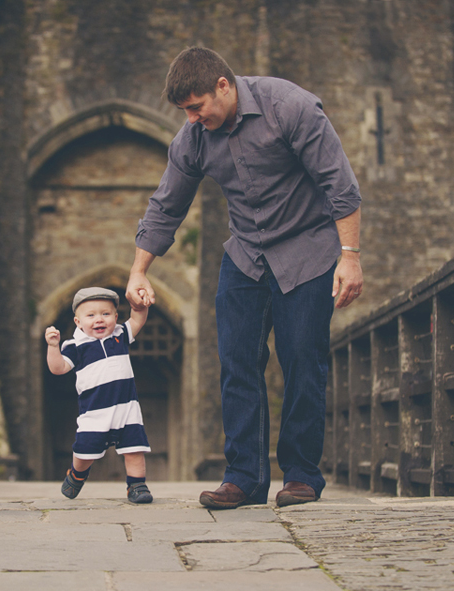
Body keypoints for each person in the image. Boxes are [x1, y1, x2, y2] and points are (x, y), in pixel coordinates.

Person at [126, 47, 363, 509]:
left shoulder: (289, 106)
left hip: (308, 250)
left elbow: (340, 184)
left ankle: (300, 475)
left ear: (223, 86)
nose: (192, 118)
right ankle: (244, 477)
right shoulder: (194, 137)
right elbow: (166, 205)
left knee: (301, 361)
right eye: (184, 112)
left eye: (196, 107)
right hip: (246, 254)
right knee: (237, 362)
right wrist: (138, 270)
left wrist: (349, 256)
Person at [45, 286, 154, 504]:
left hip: (126, 408)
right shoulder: (75, 346)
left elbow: (138, 320)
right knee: (86, 452)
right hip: (95, 412)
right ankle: (77, 474)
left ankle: (137, 485)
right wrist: (53, 346)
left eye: (105, 314)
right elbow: (57, 368)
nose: (99, 320)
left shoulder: (120, 335)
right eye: (91, 315)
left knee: (134, 449)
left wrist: (140, 305)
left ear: (115, 316)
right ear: (78, 322)